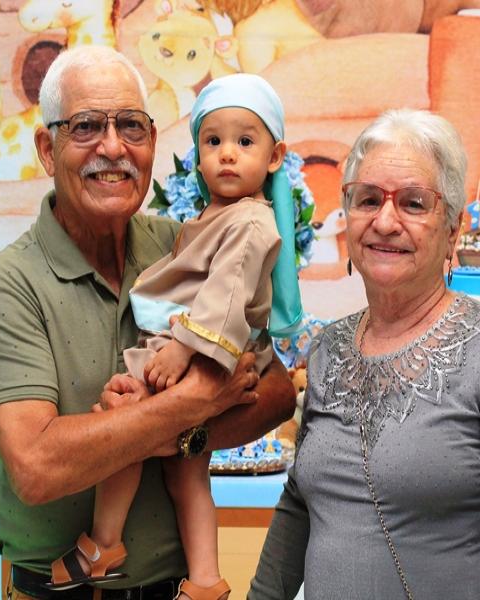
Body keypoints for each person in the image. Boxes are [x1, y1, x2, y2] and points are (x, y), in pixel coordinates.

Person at [0, 45, 295, 600]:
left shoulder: (182, 245)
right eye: (86, 126)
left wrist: (158, 432)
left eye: (131, 127)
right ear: (47, 149)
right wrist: (195, 401)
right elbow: (37, 467)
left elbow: (276, 391)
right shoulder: (8, 284)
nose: (113, 147)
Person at [249, 108, 480, 599]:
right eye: (368, 199)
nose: (385, 221)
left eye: (414, 203)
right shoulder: (328, 349)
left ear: (452, 229)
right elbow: (300, 505)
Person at [52, 73, 302, 600]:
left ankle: (104, 543)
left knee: (124, 432)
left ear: (275, 156)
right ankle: (206, 580)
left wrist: (185, 347)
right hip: (199, 342)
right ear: (197, 156)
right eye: (213, 142)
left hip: (202, 346)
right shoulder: (217, 216)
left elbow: (227, 294)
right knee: (186, 472)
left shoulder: (250, 223)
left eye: (245, 141)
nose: (227, 154)